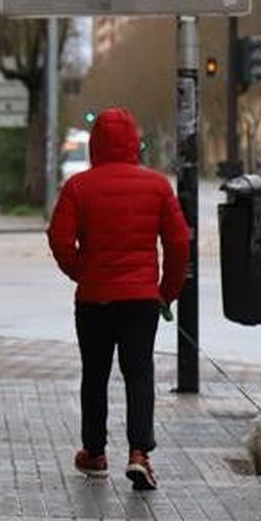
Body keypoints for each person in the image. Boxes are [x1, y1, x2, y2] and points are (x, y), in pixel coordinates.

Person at [46, 107, 190, 490]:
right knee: (138, 372)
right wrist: (167, 291)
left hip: (94, 299)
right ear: (134, 143)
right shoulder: (158, 186)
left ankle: (94, 453)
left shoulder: (78, 187)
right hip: (141, 298)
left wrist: (81, 271)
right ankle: (139, 454)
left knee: (95, 373)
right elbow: (179, 242)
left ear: (95, 144)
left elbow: (59, 238)